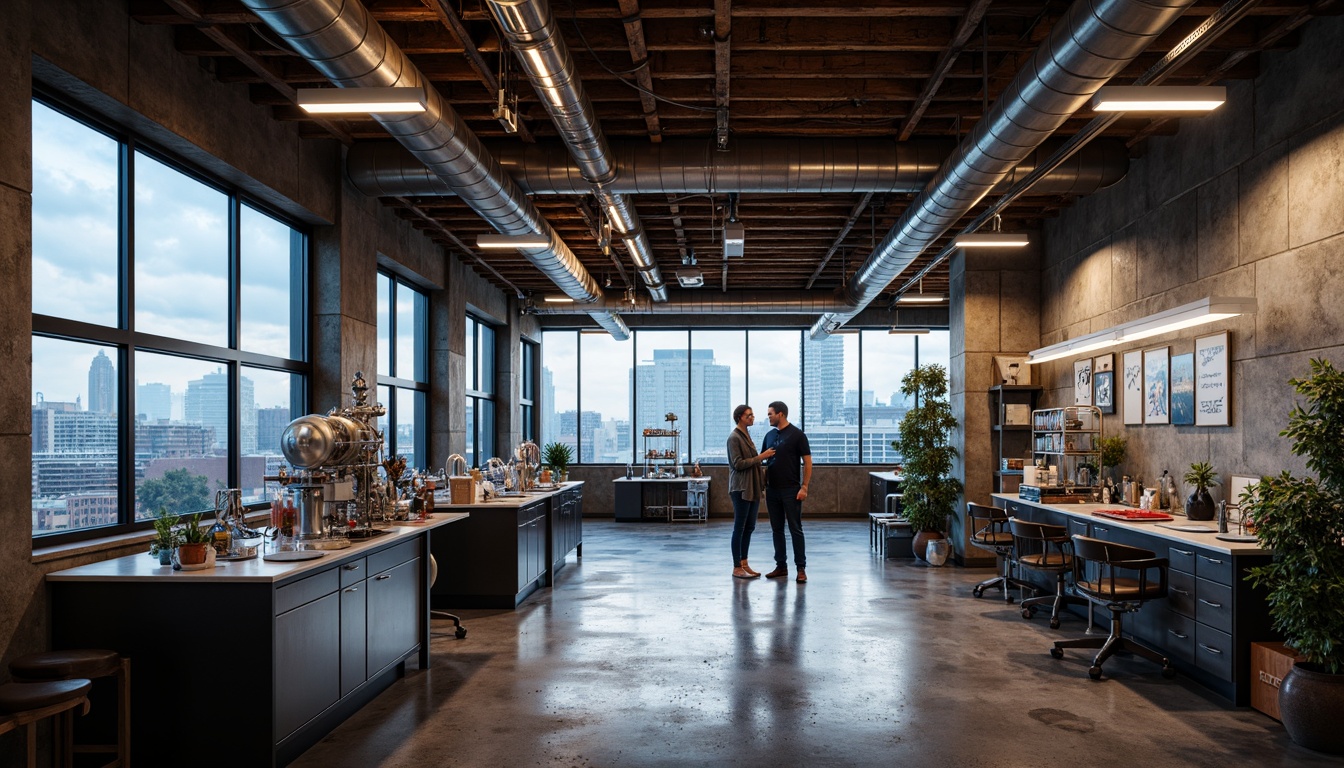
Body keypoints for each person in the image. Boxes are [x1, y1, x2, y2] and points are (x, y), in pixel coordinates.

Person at [761, 401, 811, 583]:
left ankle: (801, 568)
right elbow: (764, 463)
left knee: (795, 529)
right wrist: (763, 487)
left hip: (791, 490)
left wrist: (804, 486)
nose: (768, 417)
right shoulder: (768, 436)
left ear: (780, 414)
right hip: (772, 491)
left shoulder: (797, 435)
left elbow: (808, 462)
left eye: (770, 414)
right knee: (776, 529)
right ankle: (781, 566)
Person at [727, 405, 775, 579]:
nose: (753, 418)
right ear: (740, 417)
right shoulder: (734, 438)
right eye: (749, 415)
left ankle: (744, 563)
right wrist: (761, 457)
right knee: (739, 527)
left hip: (752, 487)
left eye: (753, 415)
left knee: (749, 527)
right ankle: (736, 566)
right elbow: (738, 464)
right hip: (741, 488)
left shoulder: (746, 436)